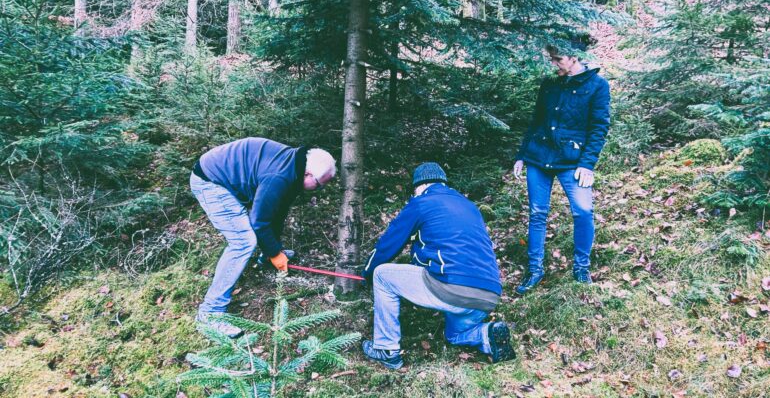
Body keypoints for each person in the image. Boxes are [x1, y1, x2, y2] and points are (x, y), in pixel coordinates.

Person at [360, 163, 515, 369]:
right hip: (488, 295)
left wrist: (367, 274)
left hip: (451, 288)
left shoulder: (421, 202)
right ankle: (486, 334)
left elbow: (387, 247)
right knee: (454, 335)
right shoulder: (470, 206)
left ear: (419, 186)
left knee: (382, 275)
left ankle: (386, 349)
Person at [190, 137, 336, 337]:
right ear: (308, 174)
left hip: (219, 176)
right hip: (210, 181)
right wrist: (275, 254)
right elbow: (259, 222)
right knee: (243, 242)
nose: (320, 190)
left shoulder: (294, 166)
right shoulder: (280, 176)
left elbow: (276, 212)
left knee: (252, 238)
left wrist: (272, 251)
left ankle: (264, 259)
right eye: (319, 185)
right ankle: (210, 314)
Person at [512, 37, 611, 294]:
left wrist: (587, 164)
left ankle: (581, 268)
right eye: (552, 58)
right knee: (537, 213)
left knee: (583, 210)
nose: (553, 64)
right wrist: (522, 155)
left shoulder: (597, 86)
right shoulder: (549, 84)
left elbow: (599, 128)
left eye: (558, 59)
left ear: (574, 58)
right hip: (539, 157)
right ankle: (534, 269)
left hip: (572, 161)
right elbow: (536, 121)